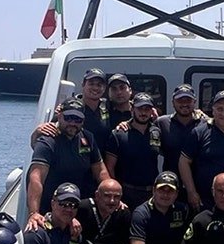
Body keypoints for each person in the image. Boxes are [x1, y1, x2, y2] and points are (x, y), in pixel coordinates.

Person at [26, 98, 108, 230]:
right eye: (68, 118)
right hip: (50, 208)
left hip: (76, 206)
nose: (73, 123)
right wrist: (33, 213)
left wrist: (112, 193)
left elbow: (100, 171)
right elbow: (36, 178)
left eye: (78, 119)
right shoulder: (47, 140)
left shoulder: (88, 138)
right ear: (59, 116)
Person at [30, 67, 112, 150]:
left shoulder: (107, 105)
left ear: (104, 88)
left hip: (101, 157)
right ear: (83, 85)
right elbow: (50, 132)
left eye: (99, 85)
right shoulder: (69, 107)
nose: (95, 88)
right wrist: (37, 133)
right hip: (76, 156)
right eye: (91, 84)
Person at [152, 83, 207, 206]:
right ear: (173, 103)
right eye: (180, 100)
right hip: (170, 187)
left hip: (199, 188)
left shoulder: (205, 124)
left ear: (195, 102)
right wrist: (126, 123)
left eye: (188, 100)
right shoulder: (161, 123)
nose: (184, 104)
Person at [105, 92, 162, 207]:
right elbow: (109, 167)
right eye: (140, 108)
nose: (143, 112)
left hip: (152, 193)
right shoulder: (119, 134)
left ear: (152, 111)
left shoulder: (157, 132)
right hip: (127, 193)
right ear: (132, 109)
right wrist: (116, 194)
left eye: (147, 109)